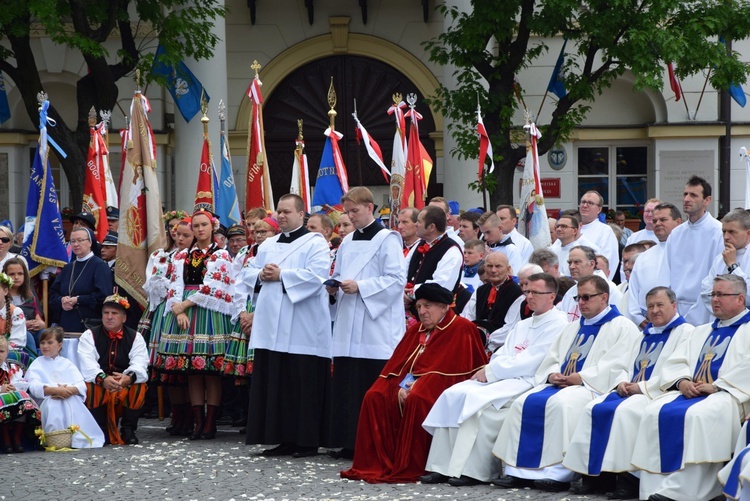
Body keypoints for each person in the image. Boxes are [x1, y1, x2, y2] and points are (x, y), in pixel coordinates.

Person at [493, 275, 640, 491]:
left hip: (591, 388)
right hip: (561, 384)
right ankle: (519, 471)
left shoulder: (622, 327)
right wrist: (552, 374)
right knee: (523, 402)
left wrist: (580, 377)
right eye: (578, 298)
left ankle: (557, 473)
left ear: (604, 297)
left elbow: (617, 363)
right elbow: (552, 358)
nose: (581, 303)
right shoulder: (572, 327)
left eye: (587, 297)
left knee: (562, 405)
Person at [421, 273, 567, 486]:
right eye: (527, 292)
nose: (529, 297)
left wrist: (492, 372)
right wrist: (492, 369)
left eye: (536, 292)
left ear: (552, 296)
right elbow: (503, 352)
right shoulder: (524, 324)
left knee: (479, 407)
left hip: (527, 380)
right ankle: (441, 466)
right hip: (504, 375)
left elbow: (534, 360)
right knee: (454, 394)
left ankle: (473, 471)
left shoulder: (559, 324)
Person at [340, 283, 487, 483]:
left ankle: (418, 463)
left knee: (419, 398)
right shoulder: (415, 330)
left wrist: (417, 385)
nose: (422, 312)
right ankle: (379, 461)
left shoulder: (462, 328)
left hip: (447, 385)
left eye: (428, 306)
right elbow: (398, 364)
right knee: (374, 396)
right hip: (411, 382)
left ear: (444, 307)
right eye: (418, 307)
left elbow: (456, 370)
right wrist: (400, 387)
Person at [562, 287, 693, 497]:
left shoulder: (686, 332)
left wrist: (641, 387)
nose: (655, 310)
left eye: (660, 305)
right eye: (650, 306)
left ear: (674, 305)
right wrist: (622, 381)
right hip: (630, 389)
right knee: (593, 408)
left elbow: (677, 369)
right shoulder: (645, 333)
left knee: (626, 413)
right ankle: (594, 477)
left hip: (657, 393)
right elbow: (624, 363)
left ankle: (627, 479)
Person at [631, 274, 750, 501]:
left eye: (721, 294)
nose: (714, 299)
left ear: (740, 298)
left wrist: (718, 386)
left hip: (731, 395)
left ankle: (692, 491)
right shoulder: (701, 330)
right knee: (653, 411)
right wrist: (682, 381)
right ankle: (653, 490)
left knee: (698, 415)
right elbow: (677, 362)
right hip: (691, 391)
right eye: (713, 294)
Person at [244, 194, 332, 458]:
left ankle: (306, 441)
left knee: (300, 381)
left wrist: (282, 275)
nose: (281, 216)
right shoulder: (268, 244)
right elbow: (247, 272)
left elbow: (318, 276)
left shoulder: (315, 243)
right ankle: (280, 437)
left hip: (302, 324)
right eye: (279, 212)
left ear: (301, 214)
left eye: (287, 212)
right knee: (276, 381)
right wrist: (261, 274)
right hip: (271, 323)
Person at [325, 187, 407, 459]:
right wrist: (334, 287)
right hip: (349, 319)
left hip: (375, 324)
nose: (350, 217)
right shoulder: (347, 242)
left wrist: (360, 286)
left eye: (354, 211)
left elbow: (396, 281)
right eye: (347, 212)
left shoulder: (388, 239)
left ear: (370, 208)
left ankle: (373, 442)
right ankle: (348, 440)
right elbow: (338, 272)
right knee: (348, 382)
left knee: (368, 381)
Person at [154, 209, 235, 440]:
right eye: (196, 226)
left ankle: (211, 422)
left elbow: (214, 286)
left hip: (207, 309)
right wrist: (176, 307)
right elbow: (173, 283)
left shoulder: (221, 255)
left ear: (213, 228)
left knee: (210, 371)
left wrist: (184, 305)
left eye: (203, 225)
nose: (200, 229)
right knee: (191, 371)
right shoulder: (181, 256)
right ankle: (198, 421)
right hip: (185, 311)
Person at [142, 217, 193, 436]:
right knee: (168, 370)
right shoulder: (162, 256)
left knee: (184, 366)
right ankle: (177, 414)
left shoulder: (192, 258)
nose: (180, 239)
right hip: (163, 312)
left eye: (185, 235)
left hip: (184, 309)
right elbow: (151, 287)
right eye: (177, 234)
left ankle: (190, 415)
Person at [78, 293, 148, 445]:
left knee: (139, 386)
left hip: (123, 382)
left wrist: (128, 377)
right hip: (101, 383)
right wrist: (103, 379)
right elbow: (87, 363)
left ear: (124, 318)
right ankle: (100, 428)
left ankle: (128, 429)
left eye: (114, 313)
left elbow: (140, 362)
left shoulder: (136, 337)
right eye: (106, 313)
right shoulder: (89, 335)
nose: (109, 317)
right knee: (90, 386)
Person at [26, 326, 105, 448]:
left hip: (68, 396)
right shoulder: (37, 363)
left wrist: (67, 390)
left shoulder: (67, 363)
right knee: (54, 403)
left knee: (71, 401)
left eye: (50, 342)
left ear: (59, 345)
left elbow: (81, 385)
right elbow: (33, 386)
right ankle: (54, 437)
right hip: (47, 399)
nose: (45, 346)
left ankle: (74, 437)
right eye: (42, 343)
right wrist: (54, 390)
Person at [665, 175, 724, 325]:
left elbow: (719, 273)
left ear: (707, 200)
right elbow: (667, 270)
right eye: (685, 194)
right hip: (676, 307)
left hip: (704, 306)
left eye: (693, 195)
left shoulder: (718, 231)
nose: (686, 199)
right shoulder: (676, 233)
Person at [627, 203, 682, 329]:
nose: (657, 223)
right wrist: (638, 318)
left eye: (663, 220)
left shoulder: (688, 252)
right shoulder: (644, 257)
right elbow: (634, 289)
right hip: (648, 323)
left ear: (678, 222)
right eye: (655, 220)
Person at [50, 227, 112, 333]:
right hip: (66, 325)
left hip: (89, 326)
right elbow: (53, 294)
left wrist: (78, 299)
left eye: (80, 240)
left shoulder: (99, 266)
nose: (75, 244)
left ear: (90, 242)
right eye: (72, 241)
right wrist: (62, 301)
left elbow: (104, 297)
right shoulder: (68, 268)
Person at [404, 206, 463, 315]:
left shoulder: (452, 250)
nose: (415, 224)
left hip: (438, 316)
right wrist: (402, 291)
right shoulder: (418, 245)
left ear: (431, 227)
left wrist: (410, 294)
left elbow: (441, 286)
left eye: (419, 222)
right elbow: (402, 270)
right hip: (414, 313)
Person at [460, 252, 523, 346]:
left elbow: (510, 328)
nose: (493, 270)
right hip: (474, 340)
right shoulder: (480, 291)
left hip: (500, 345)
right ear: (485, 268)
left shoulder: (517, 293)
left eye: (498, 266)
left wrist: (486, 339)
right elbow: (468, 317)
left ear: (508, 269)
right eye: (489, 266)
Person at [700, 208, 750, 312]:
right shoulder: (720, 258)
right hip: (722, 320)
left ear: (748, 233)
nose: (726, 237)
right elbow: (706, 291)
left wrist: (733, 266)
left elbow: (748, 294)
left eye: (732, 232)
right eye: (724, 232)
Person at [557, 246, 623, 322]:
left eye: (577, 262)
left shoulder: (610, 289)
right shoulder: (570, 292)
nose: (571, 267)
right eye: (570, 263)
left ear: (592, 264)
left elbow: (616, 320)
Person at [0, 336, 40, 453]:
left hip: (12, 398)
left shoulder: (12, 368)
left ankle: (17, 438)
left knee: (24, 400)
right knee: (6, 402)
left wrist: (14, 387)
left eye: (1, 351)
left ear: (7, 353)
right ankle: (6, 439)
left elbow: (21, 382)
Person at [4, 258, 45, 351]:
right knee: (28, 335)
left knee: (46, 334)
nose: (16, 277)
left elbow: (39, 319)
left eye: (20, 274)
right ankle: (32, 362)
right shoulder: (2, 295)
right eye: (12, 274)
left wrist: (39, 324)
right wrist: (23, 324)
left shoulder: (29, 295)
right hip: (12, 332)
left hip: (32, 330)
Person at [578, 191, 619, 280]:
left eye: (590, 203)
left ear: (599, 209)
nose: (585, 205)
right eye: (583, 202)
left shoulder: (605, 231)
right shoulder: (573, 228)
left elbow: (608, 261)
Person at [0, 271, 34, 369]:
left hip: (8, 351)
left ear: (6, 291)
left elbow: (17, 342)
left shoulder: (15, 312)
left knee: (11, 355)